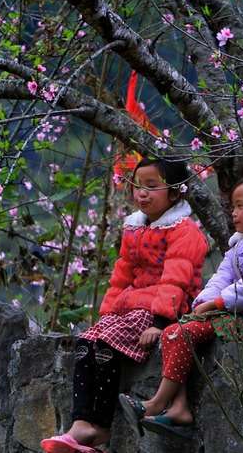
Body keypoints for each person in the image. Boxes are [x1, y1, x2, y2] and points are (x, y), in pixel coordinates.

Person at [119, 172, 243, 441]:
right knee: (175, 331)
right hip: (238, 317)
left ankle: (156, 403)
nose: (233, 213)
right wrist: (203, 302)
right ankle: (179, 407)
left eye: (241, 206)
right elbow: (220, 278)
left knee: (182, 332)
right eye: (232, 207)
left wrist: (216, 304)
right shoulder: (239, 246)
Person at [41, 157, 209, 453]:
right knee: (87, 341)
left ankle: (101, 426)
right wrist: (107, 314)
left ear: (174, 193)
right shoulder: (134, 228)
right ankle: (80, 422)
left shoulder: (185, 231)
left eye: (151, 186)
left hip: (166, 309)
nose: (141, 193)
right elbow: (121, 275)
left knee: (106, 344)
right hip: (131, 307)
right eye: (137, 186)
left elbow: (176, 281)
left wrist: (159, 323)